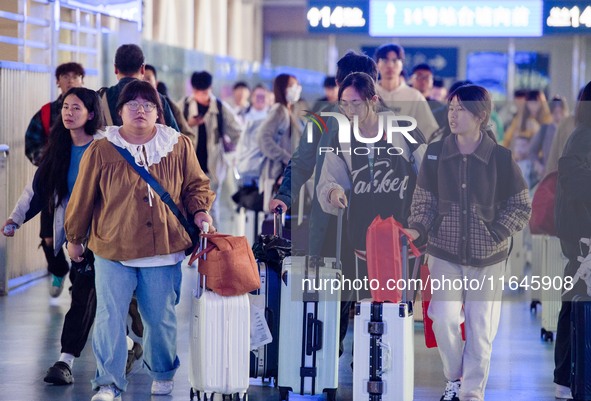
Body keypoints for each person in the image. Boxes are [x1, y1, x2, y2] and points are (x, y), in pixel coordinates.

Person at [64, 80, 215, 401]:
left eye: (148, 105)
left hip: (164, 250)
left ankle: (162, 374)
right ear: (119, 112)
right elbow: (82, 197)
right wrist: (74, 238)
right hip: (112, 247)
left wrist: (201, 213)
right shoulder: (102, 148)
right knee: (109, 317)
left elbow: (196, 186)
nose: (141, 110)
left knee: (160, 319)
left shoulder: (178, 145)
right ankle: (108, 383)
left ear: (159, 113)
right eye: (132, 105)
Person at [407, 84, 531, 401]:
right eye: (451, 108)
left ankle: (471, 392)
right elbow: (423, 201)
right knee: (442, 316)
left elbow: (521, 205)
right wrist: (418, 229)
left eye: (461, 109)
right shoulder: (436, 153)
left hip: (488, 259)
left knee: (482, 329)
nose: (453, 114)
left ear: (481, 116)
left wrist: (496, 232)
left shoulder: (500, 159)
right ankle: (454, 376)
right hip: (444, 252)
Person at [3, 88, 104, 385]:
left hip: (109, 233)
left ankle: (128, 347)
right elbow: (37, 189)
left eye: (76, 108)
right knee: (83, 294)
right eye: (66, 108)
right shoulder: (58, 148)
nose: (69, 113)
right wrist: (15, 218)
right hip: (78, 236)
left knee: (111, 300)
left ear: (91, 114)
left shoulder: (105, 146)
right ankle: (65, 361)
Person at [24, 62, 85, 297]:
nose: (70, 80)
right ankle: (58, 269)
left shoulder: (92, 109)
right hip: (53, 185)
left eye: (75, 76)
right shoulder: (47, 113)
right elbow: (32, 143)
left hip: (83, 185)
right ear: (58, 81)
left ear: (82, 79)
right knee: (49, 237)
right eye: (65, 76)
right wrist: (50, 162)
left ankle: (80, 285)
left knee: (83, 236)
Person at [553, 80, 591, 401]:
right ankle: (567, 378)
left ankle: (567, 378)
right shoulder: (585, 136)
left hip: (578, 237)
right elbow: (577, 181)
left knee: (573, 306)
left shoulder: (581, 133)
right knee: (575, 307)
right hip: (584, 241)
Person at [179, 70, 243, 235]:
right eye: (198, 92)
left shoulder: (220, 107)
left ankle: (213, 245)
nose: (201, 96)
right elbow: (171, 132)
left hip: (213, 167)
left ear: (210, 88)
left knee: (211, 208)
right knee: (187, 207)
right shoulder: (184, 106)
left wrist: (231, 145)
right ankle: (192, 245)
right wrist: (188, 124)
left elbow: (238, 130)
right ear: (193, 90)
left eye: (205, 92)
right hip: (188, 167)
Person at [99, 44, 179, 131]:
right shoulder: (157, 98)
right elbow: (176, 138)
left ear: (115, 68)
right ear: (143, 69)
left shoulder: (101, 97)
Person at [256, 73, 302, 212]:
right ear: (282, 88)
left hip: (284, 172)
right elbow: (263, 138)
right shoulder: (279, 111)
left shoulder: (288, 110)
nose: (296, 88)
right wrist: (286, 157)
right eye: (291, 85)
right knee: (275, 215)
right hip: (277, 173)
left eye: (296, 85)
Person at [374, 44, 439, 140]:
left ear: (402, 64)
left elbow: (429, 130)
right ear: (377, 64)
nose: (390, 65)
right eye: (385, 60)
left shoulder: (414, 96)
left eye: (395, 60)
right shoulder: (370, 93)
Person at [143, 64, 193, 139]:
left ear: (156, 83)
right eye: (141, 80)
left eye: (148, 79)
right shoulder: (132, 107)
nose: (144, 83)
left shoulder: (168, 104)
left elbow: (188, 134)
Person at [528, 95, 569, 177]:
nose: (558, 116)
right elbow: (532, 151)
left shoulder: (571, 129)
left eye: (561, 112)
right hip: (549, 176)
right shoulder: (545, 129)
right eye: (555, 113)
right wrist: (539, 166)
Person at [410, 63, 447, 129]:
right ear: (411, 79)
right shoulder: (405, 102)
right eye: (419, 76)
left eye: (427, 77)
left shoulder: (439, 107)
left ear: (432, 81)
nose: (423, 80)